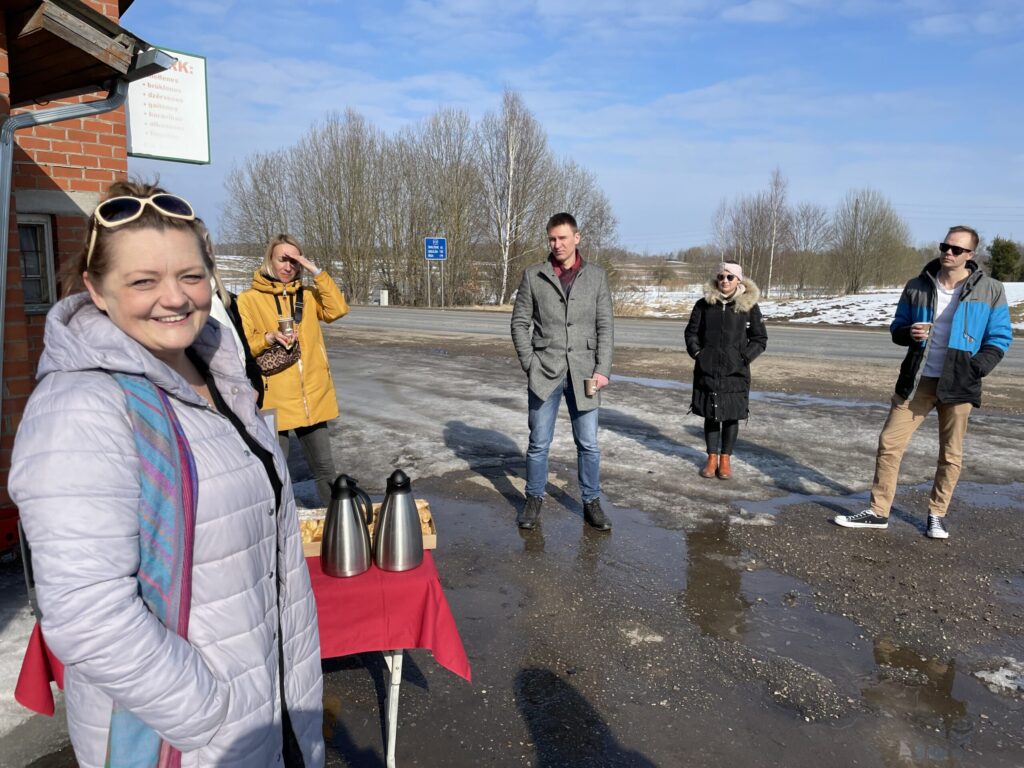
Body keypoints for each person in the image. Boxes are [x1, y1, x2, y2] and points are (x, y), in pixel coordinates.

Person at [9, 181, 325, 766]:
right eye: (142, 281)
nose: (174, 298)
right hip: (186, 738)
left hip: (270, 708)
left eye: (190, 275)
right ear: (95, 291)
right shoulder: (83, 409)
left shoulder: (216, 377)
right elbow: (87, 613)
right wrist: (210, 715)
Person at [834, 226, 1013, 539]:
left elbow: (999, 338)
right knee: (889, 442)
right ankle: (878, 512)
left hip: (959, 383)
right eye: (945, 246)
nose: (949, 252)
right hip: (918, 379)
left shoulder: (991, 289)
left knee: (950, 453)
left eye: (957, 249)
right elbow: (896, 328)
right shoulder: (917, 285)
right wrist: (908, 333)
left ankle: (936, 514)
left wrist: (975, 369)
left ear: (971, 255)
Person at [511, 212, 614, 531]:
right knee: (539, 442)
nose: (556, 244)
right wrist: (531, 364)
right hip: (545, 372)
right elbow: (519, 323)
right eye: (552, 239)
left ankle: (591, 501)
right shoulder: (534, 275)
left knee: (589, 444)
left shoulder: (596, 276)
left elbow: (605, 325)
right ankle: (533, 498)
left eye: (562, 238)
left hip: (585, 372)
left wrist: (603, 368)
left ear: (577, 238)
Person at [237, 234, 349, 508]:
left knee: (325, 471)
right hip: (275, 399)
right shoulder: (249, 299)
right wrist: (269, 338)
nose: (288, 266)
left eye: (295, 261)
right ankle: (277, 531)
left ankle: (336, 528)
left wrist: (316, 271)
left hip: (312, 397)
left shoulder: (308, 296)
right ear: (270, 260)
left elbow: (338, 309)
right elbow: (243, 346)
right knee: (275, 472)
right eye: (282, 259)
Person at [684, 261, 767, 480]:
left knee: (731, 416)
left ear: (739, 280)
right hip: (708, 369)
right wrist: (699, 354)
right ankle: (711, 459)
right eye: (721, 277)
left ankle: (725, 459)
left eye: (730, 277)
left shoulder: (749, 306)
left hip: (735, 371)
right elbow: (691, 333)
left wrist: (743, 358)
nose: (725, 281)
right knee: (711, 414)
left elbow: (759, 339)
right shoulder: (703, 305)